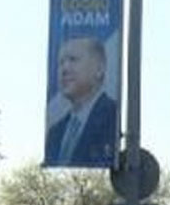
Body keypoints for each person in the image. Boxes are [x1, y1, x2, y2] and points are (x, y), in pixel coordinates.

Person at [45, 37, 119, 167]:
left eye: (73, 60)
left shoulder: (112, 116)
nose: (65, 69)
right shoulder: (55, 132)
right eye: (61, 63)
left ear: (99, 69)